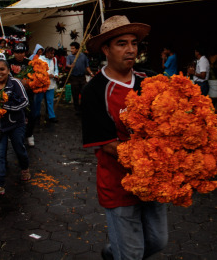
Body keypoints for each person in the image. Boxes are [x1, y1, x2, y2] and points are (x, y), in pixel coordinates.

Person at [81, 15, 168, 260]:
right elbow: (108, 145)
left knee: (158, 240)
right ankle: (120, 251)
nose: (131, 50)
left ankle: (113, 251)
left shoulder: (149, 80)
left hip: (153, 182)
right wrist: (150, 159)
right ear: (106, 49)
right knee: (132, 254)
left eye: (134, 43)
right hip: (118, 185)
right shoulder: (94, 91)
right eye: (122, 44)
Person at [0, 52, 30, 196]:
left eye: (2, 69)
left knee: (19, 149)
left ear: (8, 70)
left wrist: (5, 107)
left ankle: (25, 167)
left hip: (16, 125)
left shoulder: (15, 83)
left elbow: (25, 102)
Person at [8, 43, 36, 147]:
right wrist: (20, 81)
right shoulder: (8, 63)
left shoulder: (30, 63)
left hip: (28, 94)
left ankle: (29, 135)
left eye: (22, 52)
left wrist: (30, 83)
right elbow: (7, 76)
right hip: (14, 94)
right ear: (14, 53)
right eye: (17, 52)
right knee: (16, 115)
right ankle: (17, 136)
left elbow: (36, 76)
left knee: (31, 115)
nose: (20, 55)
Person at [66, 42, 94, 114]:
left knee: (85, 92)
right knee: (75, 94)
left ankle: (83, 107)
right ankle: (77, 109)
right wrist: (70, 66)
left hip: (82, 77)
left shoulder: (83, 56)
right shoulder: (69, 57)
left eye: (73, 48)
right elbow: (67, 65)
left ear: (77, 49)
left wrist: (91, 73)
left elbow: (87, 66)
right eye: (71, 48)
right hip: (74, 78)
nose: (71, 50)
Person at [35, 46, 58, 123]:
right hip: (41, 84)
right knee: (38, 100)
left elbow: (56, 69)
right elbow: (38, 71)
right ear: (47, 53)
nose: (53, 55)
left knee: (50, 101)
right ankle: (36, 115)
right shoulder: (40, 59)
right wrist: (48, 75)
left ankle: (51, 116)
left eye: (53, 53)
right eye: (51, 53)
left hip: (51, 84)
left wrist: (56, 74)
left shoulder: (54, 59)